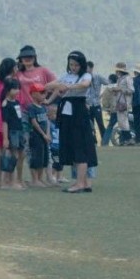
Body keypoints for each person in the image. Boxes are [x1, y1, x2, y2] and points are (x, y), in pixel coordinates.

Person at [45, 51, 98, 193]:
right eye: (71, 65)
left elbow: (85, 84)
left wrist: (68, 87)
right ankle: (85, 182)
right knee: (73, 146)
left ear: (82, 64)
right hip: (66, 113)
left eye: (76, 65)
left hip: (78, 112)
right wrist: (48, 98)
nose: (74, 67)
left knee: (80, 146)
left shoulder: (85, 76)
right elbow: (53, 86)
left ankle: (80, 183)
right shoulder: (65, 76)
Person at [0, 58, 19, 188]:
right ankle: (7, 181)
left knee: (0, 152)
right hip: (6, 120)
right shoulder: (9, 84)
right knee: (8, 151)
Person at [0, 79, 23, 190]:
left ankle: (10, 180)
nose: (17, 91)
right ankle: (8, 181)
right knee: (12, 156)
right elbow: (5, 122)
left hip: (18, 131)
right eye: (15, 88)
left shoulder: (17, 102)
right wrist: (5, 138)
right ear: (8, 90)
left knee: (15, 156)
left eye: (18, 88)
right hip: (12, 132)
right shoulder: (5, 104)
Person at [26, 83, 51, 187]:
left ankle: (40, 179)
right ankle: (34, 179)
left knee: (43, 158)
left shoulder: (43, 107)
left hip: (45, 137)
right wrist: (42, 134)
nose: (43, 95)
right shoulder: (31, 107)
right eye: (41, 93)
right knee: (35, 158)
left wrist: (48, 134)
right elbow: (34, 122)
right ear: (34, 94)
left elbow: (47, 120)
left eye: (44, 93)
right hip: (36, 136)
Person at [109, 62, 134, 145]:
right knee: (121, 122)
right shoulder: (120, 79)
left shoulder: (127, 78)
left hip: (125, 103)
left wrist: (120, 89)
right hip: (119, 102)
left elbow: (131, 90)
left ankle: (129, 139)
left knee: (124, 121)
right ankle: (124, 140)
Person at [84, 61, 108, 144]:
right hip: (87, 105)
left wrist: (102, 94)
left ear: (91, 68)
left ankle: (104, 141)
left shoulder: (97, 77)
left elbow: (108, 83)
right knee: (90, 124)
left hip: (96, 104)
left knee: (100, 123)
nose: (85, 70)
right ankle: (93, 141)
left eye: (87, 68)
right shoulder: (83, 78)